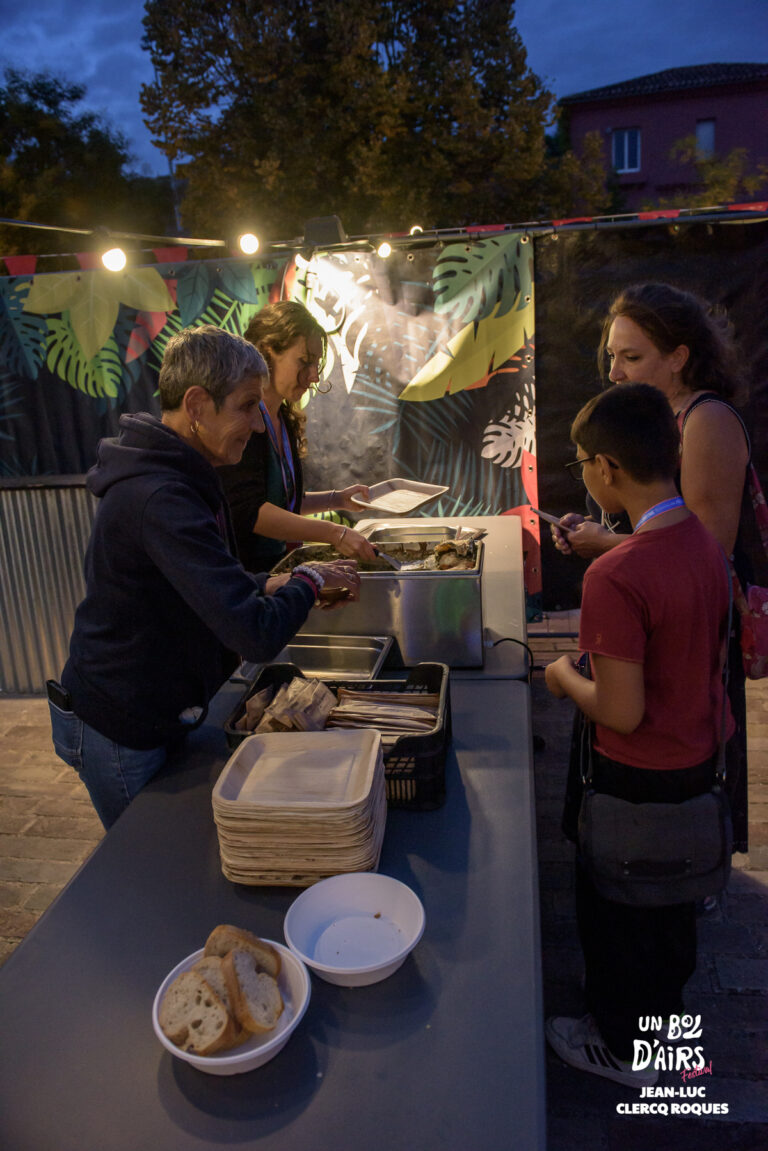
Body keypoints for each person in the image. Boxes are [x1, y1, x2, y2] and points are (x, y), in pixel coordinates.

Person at [48, 325, 360, 830]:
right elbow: (254, 634)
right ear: (196, 404)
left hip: (164, 707)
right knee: (153, 857)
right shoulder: (160, 496)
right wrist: (306, 579)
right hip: (121, 724)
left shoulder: (183, 475)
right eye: (246, 406)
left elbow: (203, 580)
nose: (258, 425)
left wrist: (267, 584)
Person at [544, 383, 733, 1088]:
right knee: (668, 915)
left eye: (583, 463)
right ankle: (662, 1033)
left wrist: (561, 675)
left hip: (632, 779)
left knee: (619, 914)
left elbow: (620, 712)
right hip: (698, 767)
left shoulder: (615, 573)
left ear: (607, 469)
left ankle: (626, 1052)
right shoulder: (704, 545)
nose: (586, 475)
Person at [551, 282, 751, 852]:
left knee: (674, 767)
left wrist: (605, 548)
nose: (615, 372)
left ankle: (680, 857)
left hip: (688, 634)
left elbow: (704, 549)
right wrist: (600, 535)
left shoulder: (705, 420)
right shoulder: (658, 416)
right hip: (651, 622)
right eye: (612, 356)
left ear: (679, 356)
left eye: (632, 357)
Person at [219, 300, 378, 574]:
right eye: (304, 362)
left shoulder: (283, 418)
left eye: (316, 363)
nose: (314, 376)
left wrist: (336, 499)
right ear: (266, 352)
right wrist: (335, 533)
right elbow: (251, 512)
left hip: (278, 571)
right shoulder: (244, 422)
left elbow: (283, 503)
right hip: (245, 578)